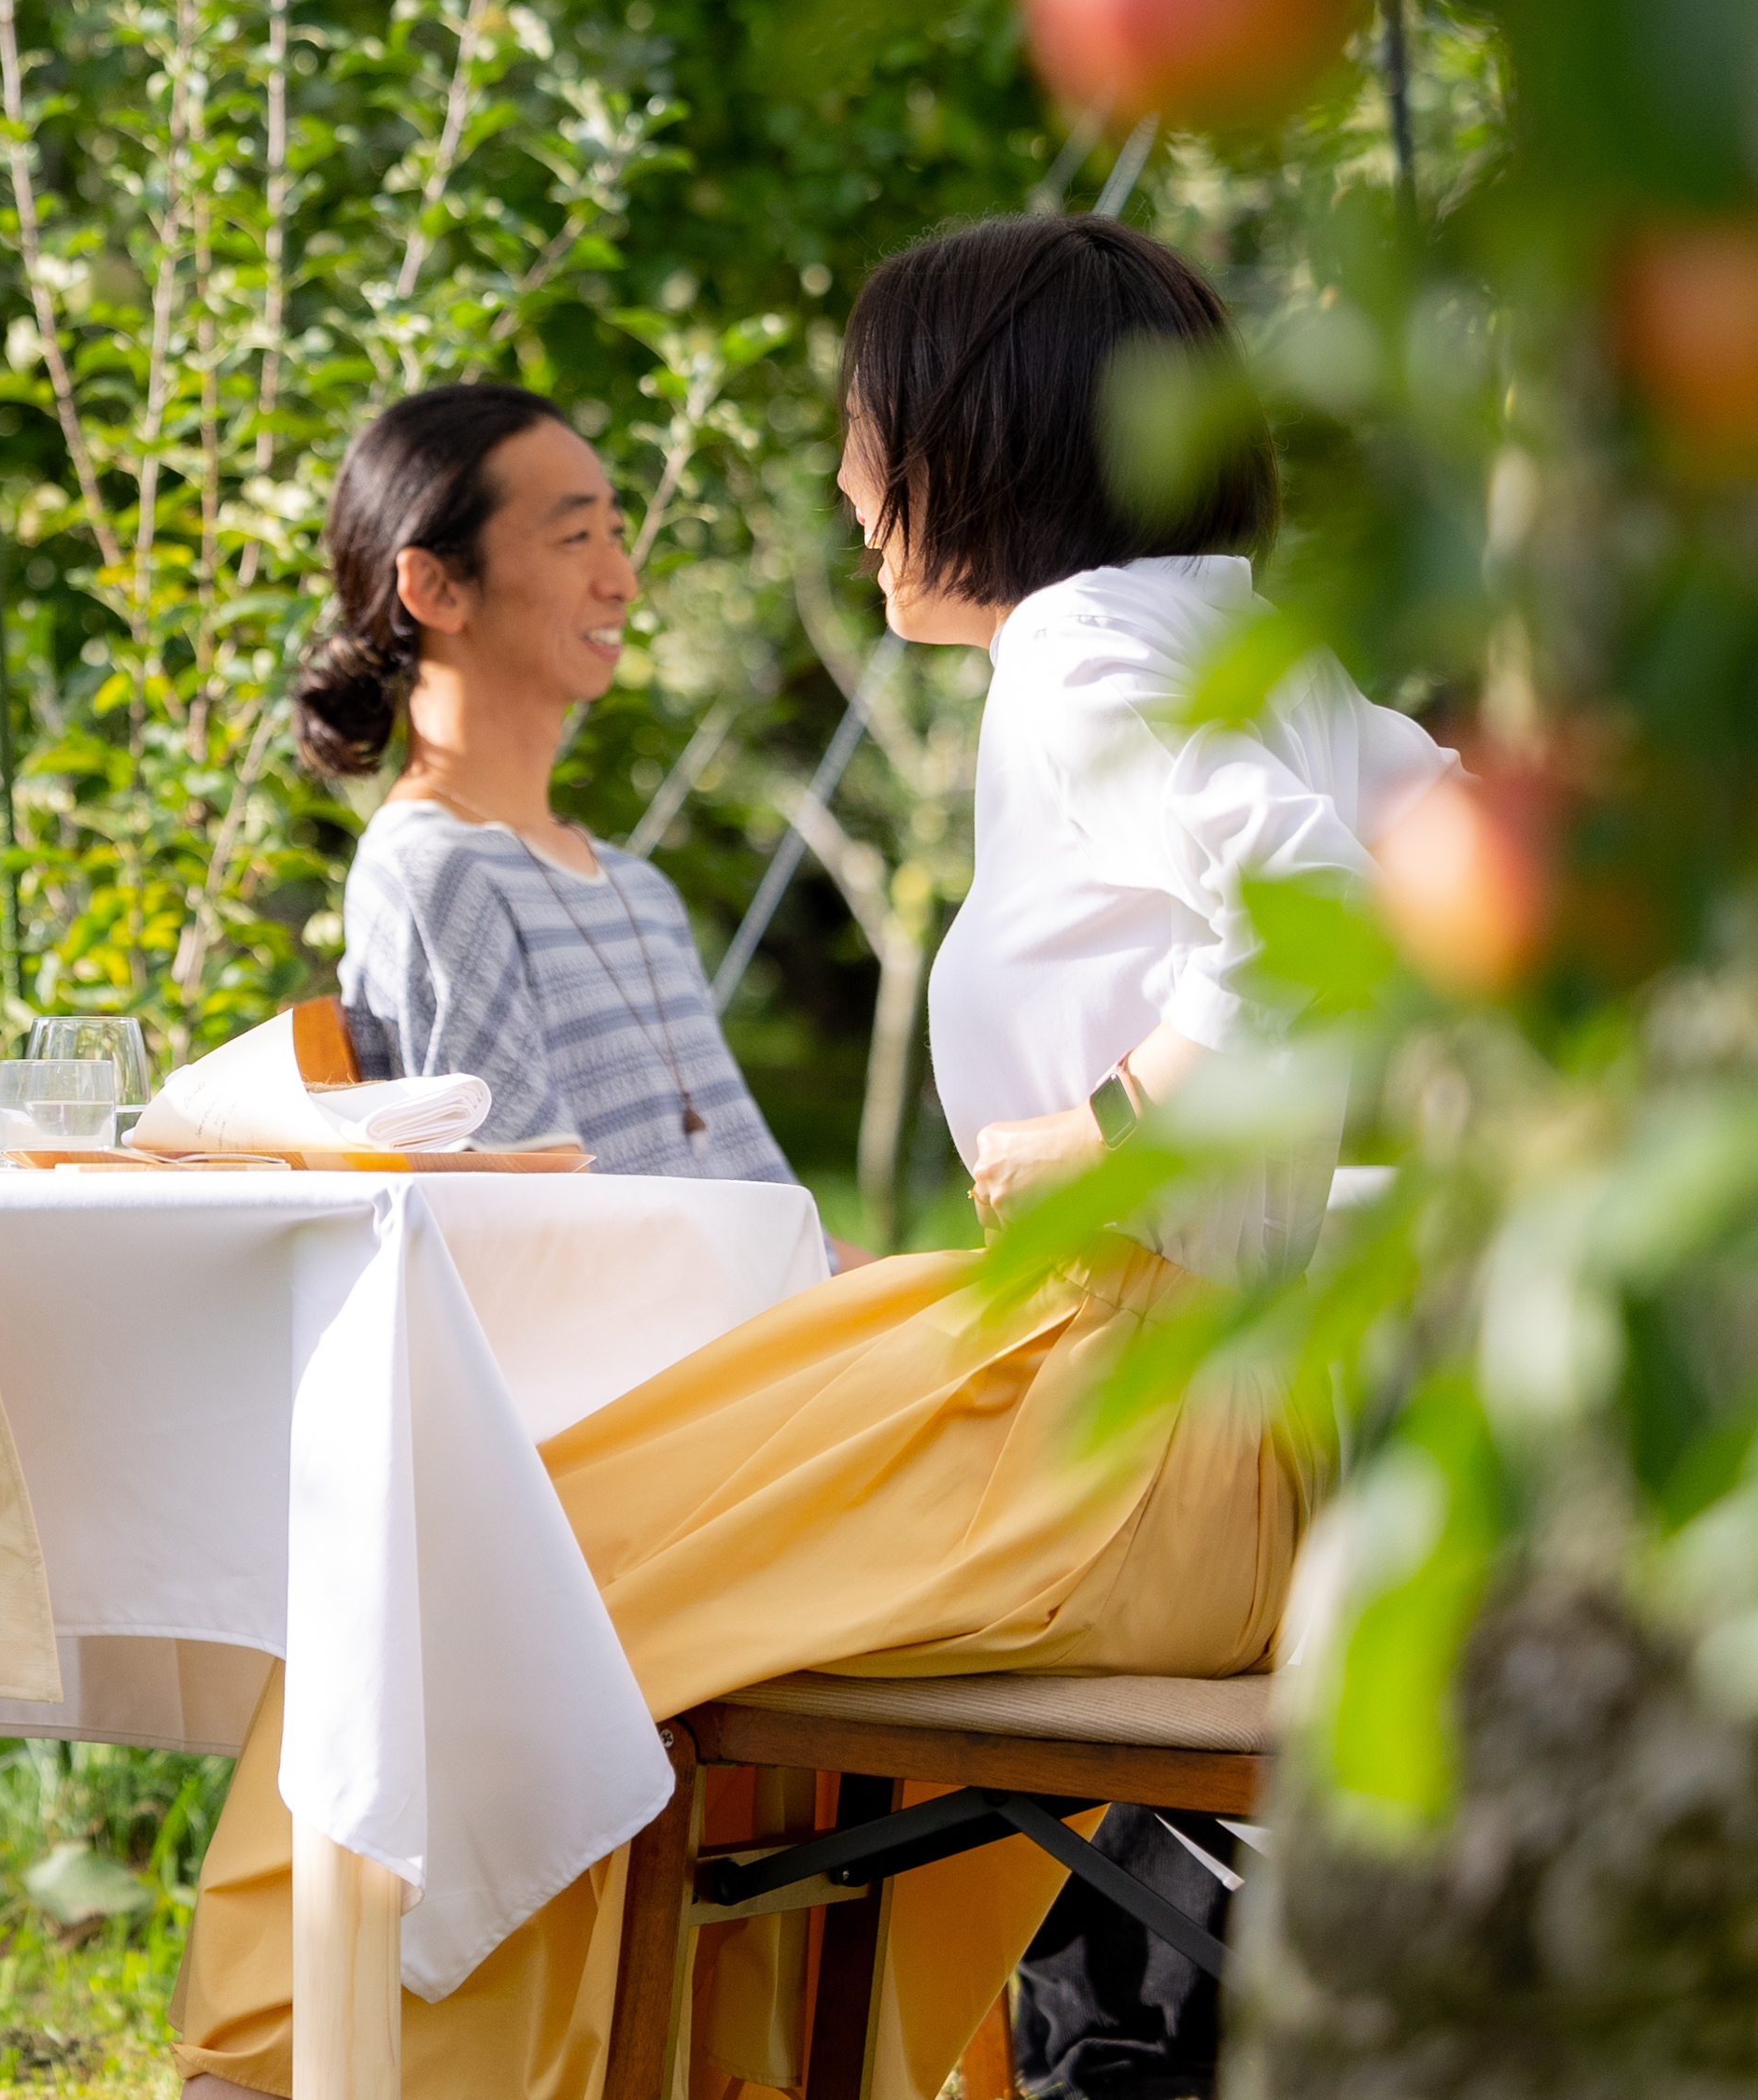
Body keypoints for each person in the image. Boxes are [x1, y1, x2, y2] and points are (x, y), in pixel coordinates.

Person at [177, 213, 1444, 2100]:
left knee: (468, 1572)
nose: (847, 476)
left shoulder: (1082, 654)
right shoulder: (1252, 650)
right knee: (563, 1554)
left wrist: (1109, 1126)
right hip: (1234, 1446)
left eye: (864, 421)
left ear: (976, 431)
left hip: (1098, 1438)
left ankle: (342, 2057)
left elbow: (1307, 895)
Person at [291, 380, 797, 1187]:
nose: (621, 580)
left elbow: (770, 1207)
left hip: (762, 1301)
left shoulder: (641, 893)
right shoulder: (434, 874)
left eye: (615, 534)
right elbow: (527, 1219)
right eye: (574, 538)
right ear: (434, 587)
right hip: (674, 1314)